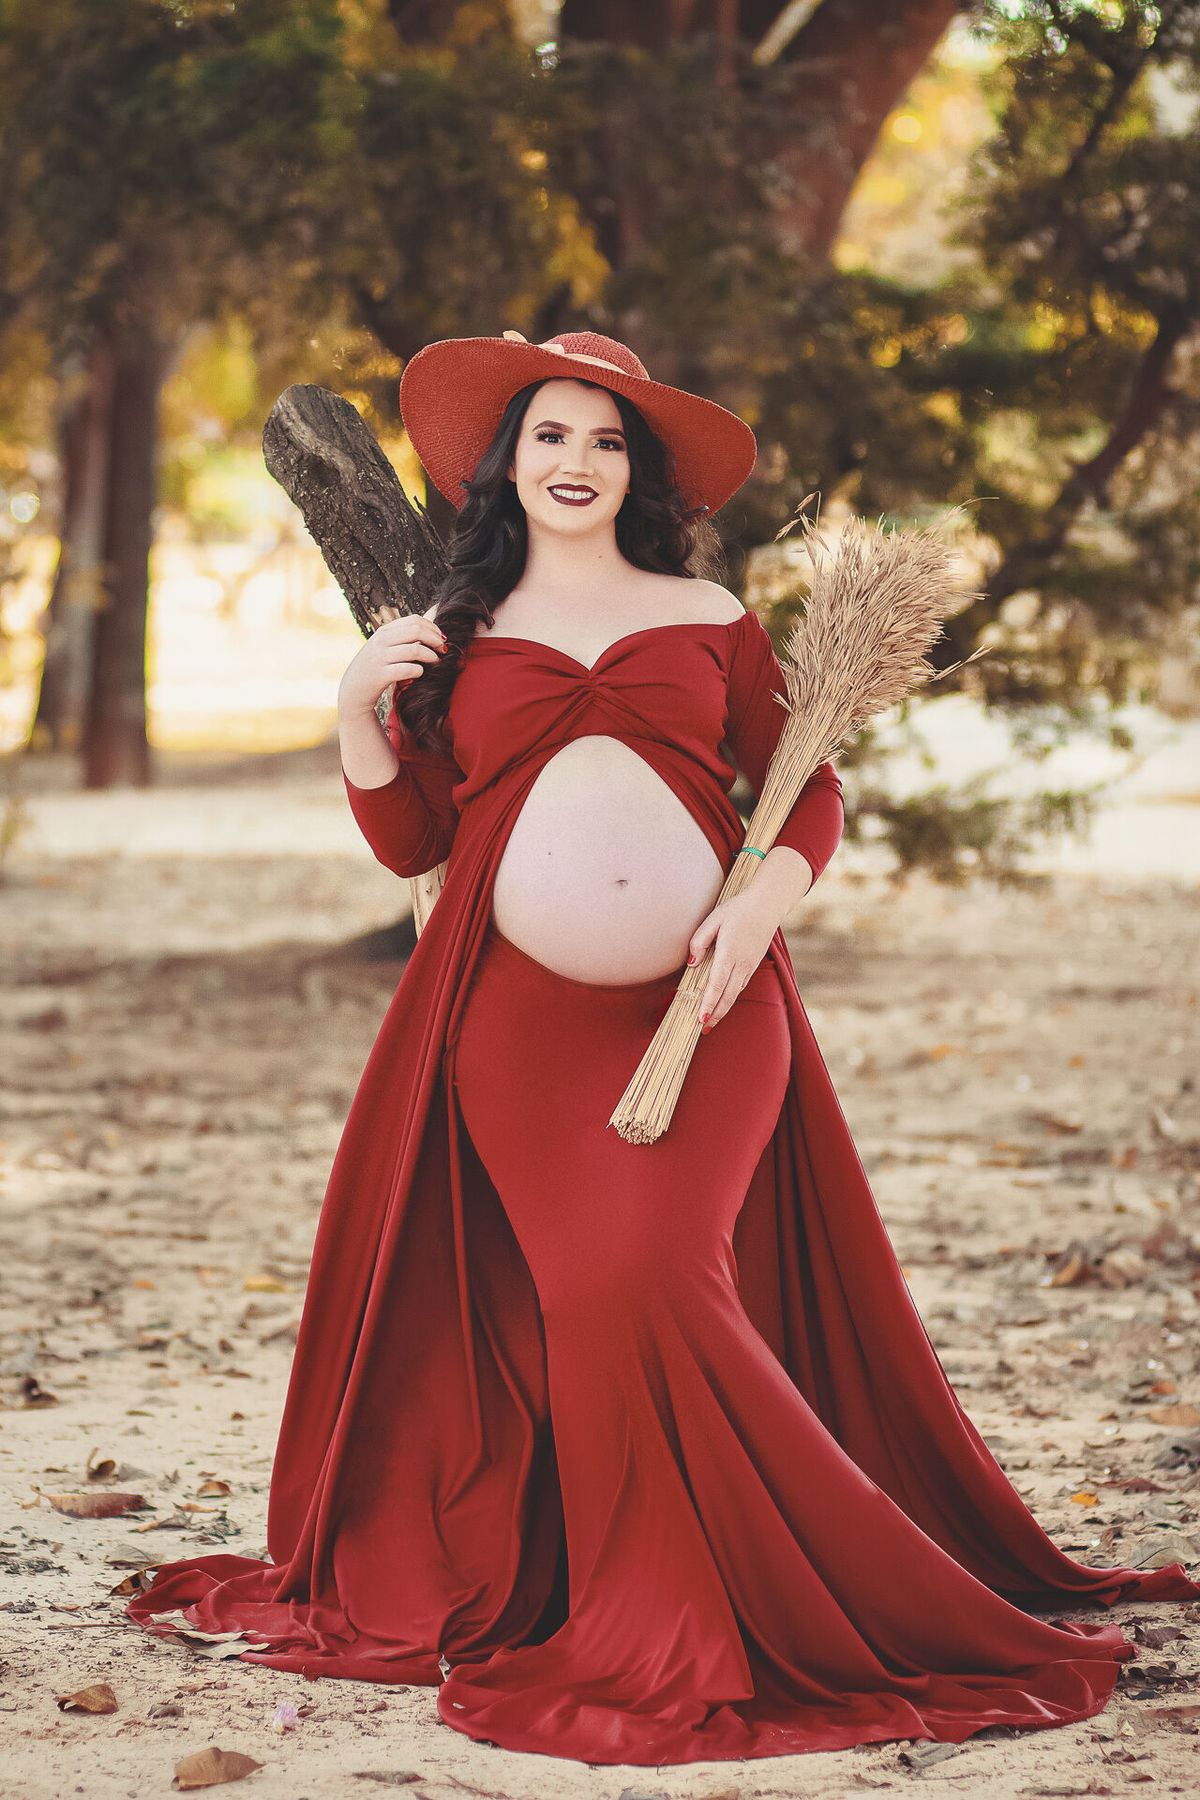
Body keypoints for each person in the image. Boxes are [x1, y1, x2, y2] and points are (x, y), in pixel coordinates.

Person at [126, 331, 1199, 1767]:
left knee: (656, 1276)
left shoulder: (707, 615)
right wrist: (354, 714)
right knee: (594, 1293)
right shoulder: (458, 635)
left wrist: (764, 901)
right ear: (505, 460)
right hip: (514, 1029)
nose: (577, 461)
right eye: (551, 434)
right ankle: (661, 1589)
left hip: (708, 1014)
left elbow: (806, 787)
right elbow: (415, 843)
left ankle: (778, 1593)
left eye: (607, 441)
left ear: (639, 473)